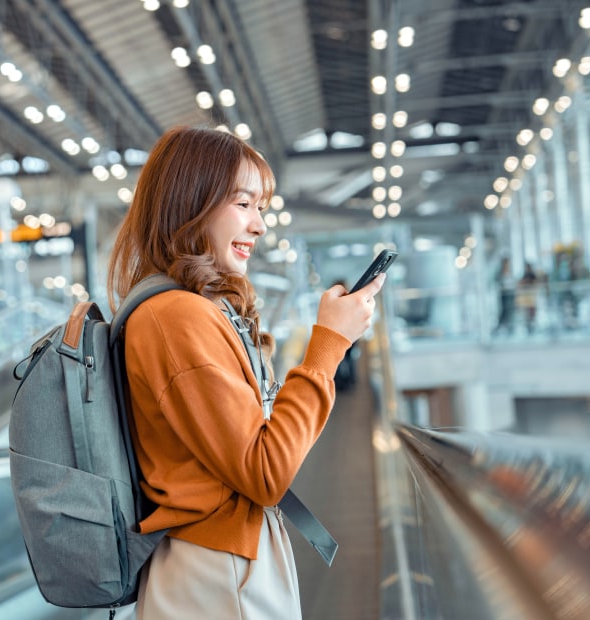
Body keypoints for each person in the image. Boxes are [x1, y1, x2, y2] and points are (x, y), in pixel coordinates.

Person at [106, 126, 385, 619]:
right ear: (190, 202)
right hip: (219, 577)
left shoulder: (185, 310)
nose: (258, 226)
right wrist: (329, 345)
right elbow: (265, 470)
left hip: (218, 567)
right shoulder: (176, 317)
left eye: (261, 208)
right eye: (243, 204)